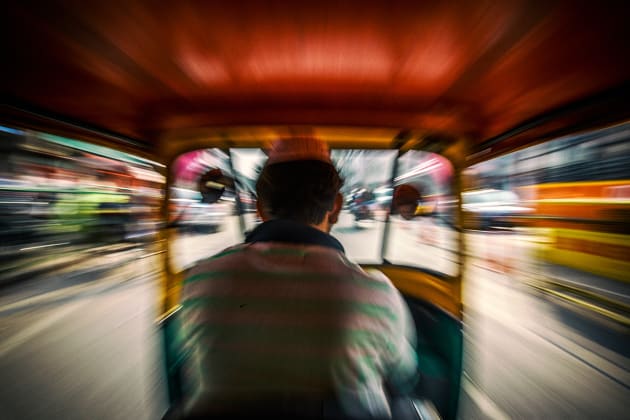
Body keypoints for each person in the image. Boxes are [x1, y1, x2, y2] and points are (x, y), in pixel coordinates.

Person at [175, 137, 418, 419]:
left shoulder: (201, 280)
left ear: (260, 208)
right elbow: (403, 375)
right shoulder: (375, 293)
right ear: (336, 208)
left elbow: (188, 365)